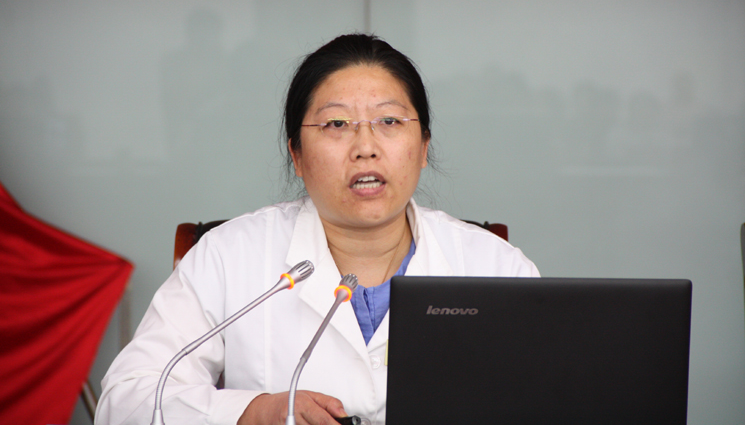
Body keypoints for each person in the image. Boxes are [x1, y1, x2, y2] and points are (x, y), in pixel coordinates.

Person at [95, 34, 539, 425]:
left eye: (389, 122)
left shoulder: (495, 266)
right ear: (297, 155)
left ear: (423, 146)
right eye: (336, 125)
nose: (365, 148)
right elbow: (126, 403)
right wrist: (250, 413)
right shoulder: (229, 257)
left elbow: (550, 405)